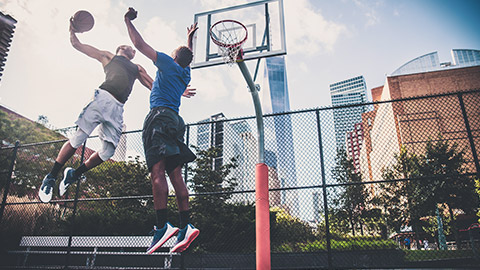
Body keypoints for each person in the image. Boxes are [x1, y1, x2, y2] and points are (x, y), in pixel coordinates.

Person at [38, 16, 195, 203]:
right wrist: (72, 29)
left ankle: (73, 174)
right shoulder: (107, 56)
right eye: (128, 47)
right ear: (120, 48)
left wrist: (177, 88)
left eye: (132, 49)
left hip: (118, 107)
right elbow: (77, 45)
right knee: (79, 137)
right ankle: (51, 176)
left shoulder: (137, 68)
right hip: (102, 99)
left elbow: (154, 85)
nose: (132, 49)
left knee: (107, 152)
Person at [124, 7, 199, 254]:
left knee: (157, 172)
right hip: (176, 121)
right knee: (175, 174)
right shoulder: (185, 73)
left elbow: (138, 43)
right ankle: (186, 225)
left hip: (159, 117)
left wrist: (127, 20)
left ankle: (161, 226)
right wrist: (189, 39)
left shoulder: (168, 63)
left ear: (173, 56)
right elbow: (188, 56)